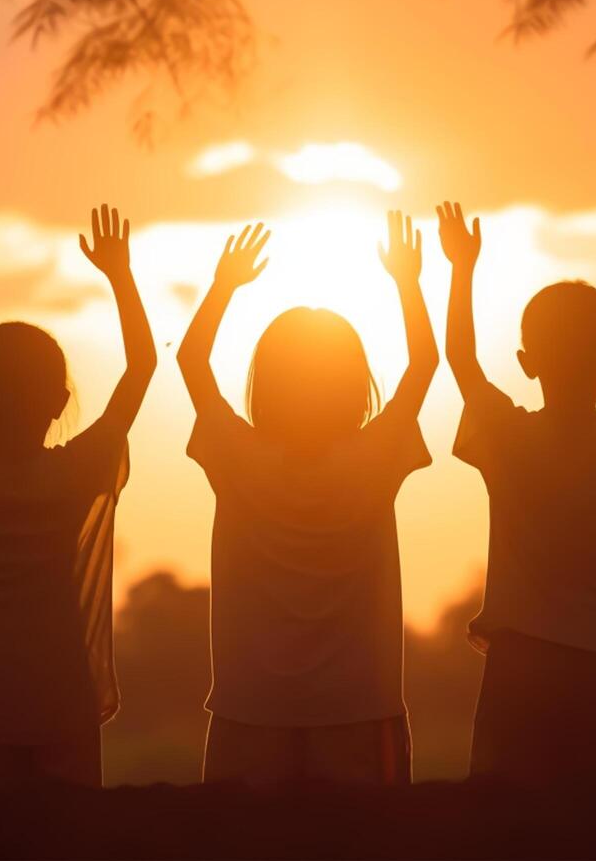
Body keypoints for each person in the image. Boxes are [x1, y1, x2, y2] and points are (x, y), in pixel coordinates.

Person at [434, 200, 596, 782]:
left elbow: (460, 358)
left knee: (503, 828)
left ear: (527, 362)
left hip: (519, 674)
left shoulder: (507, 438)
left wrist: (461, 268)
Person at [0, 206, 156, 794]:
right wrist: (120, 275)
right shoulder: (80, 469)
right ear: (61, 401)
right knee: (69, 839)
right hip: (64, 688)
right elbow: (142, 366)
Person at [177, 212, 438, 785]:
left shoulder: (237, 455)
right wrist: (406, 281)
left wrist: (224, 285)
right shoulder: (375, 457)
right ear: (353, 383)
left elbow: (190, 361)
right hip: (360, 709)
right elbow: (424, 364)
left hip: (251, 710)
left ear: (265, 383)